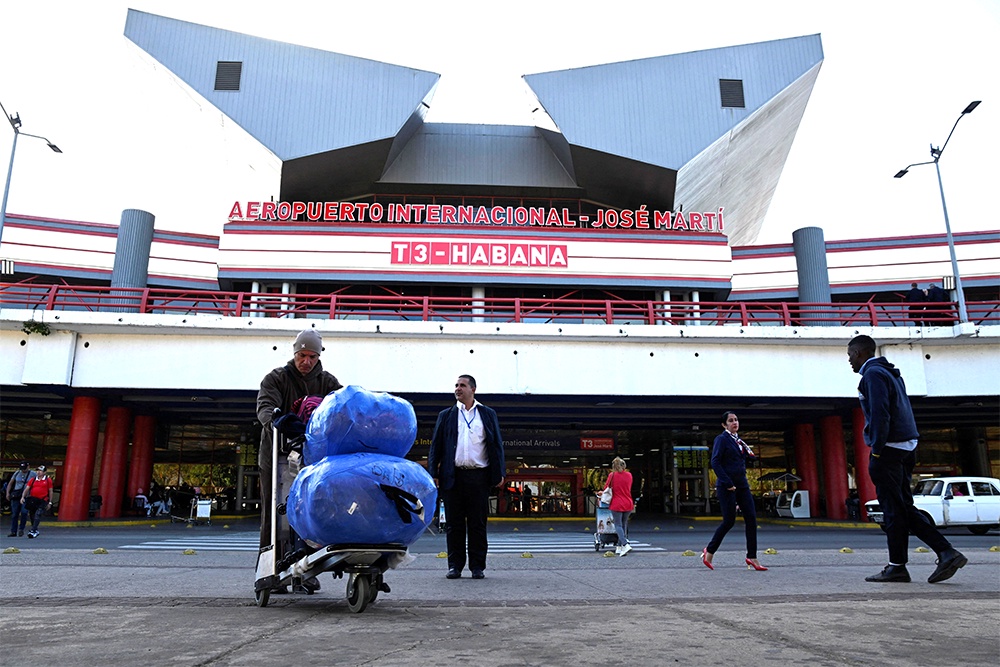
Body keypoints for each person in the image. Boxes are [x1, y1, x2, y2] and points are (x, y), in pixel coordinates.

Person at [848, 334, 967, 583]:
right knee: (902, 507)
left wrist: (877, 449)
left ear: (859, 353)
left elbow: (880, 414)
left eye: (850, 356)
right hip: (905, 446)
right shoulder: (890, 372)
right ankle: (901, 564)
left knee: (894, 509)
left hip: (889, 449)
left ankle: (942, 553)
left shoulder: (872, 375)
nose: (849, 361)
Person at [256, 329, 342, 592]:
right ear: (294, 353)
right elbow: (264, 408)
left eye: (312, 356)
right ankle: (270, 568)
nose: (307, 361)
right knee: (275, 510)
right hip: (276, 454)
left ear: (319, 356)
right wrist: (277, 421)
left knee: (309, 511)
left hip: (313, 457)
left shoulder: (328, 382)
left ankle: (307, 569)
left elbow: (342, 406)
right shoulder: (276, 378)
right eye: (302, 355)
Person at [428, 374, 505, 580]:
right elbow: (436, 446)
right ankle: (455, 566)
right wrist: (433, 473)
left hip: (479, 477)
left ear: (473, 389)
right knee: (454, 524)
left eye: (462, 385)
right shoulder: (446, 415)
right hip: (453, 477)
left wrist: (499, 473)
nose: (457, 389)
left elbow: (496, 445)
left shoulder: (487, 414)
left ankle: (478, 567)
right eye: (456, 385)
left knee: (477, 524)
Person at [702, 411, 767, 571]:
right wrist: (728, 482)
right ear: (724, 425)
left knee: (751, 518)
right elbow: (715, 462)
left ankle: (752, 556)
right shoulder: (721, 439)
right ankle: (709, 551)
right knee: (729, 521)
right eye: (731, 421)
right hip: (727, 486)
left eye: (736, 420)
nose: (734, 422)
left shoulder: (739, 441)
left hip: (742, 485)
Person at [600, 457, 635, 556]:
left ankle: (625, 544)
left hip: (617, 503)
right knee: (624, 525)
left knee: (618, 525)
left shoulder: (612, 475)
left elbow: (606, 488)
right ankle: (619, 548)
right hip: (628, 502)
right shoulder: (629, 475)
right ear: (624, 465)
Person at [21, 465, 54, 539]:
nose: (38, 472)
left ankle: (33, 530)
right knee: (32, 515)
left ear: (44, 472)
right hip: (33, 499)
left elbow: (50, 491)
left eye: (40, 471)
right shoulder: (33, 480)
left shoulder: (48, 480)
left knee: (38, 514)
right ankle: (35, 529)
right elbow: (27, 488)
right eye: (38, 470)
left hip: (43, 499)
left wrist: (50, 502)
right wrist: (23, 497)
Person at [6, 461, 35, 537]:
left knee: (24, 512)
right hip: (16, 495)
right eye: (22, 469)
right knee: (15, 514)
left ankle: (21, 529)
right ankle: (13, 531)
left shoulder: (33, 474)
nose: (23, 470)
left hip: (26, 496)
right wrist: (8, 493)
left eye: (24, 469)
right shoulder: (17, 473)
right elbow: (10, 483)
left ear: (28, 467)